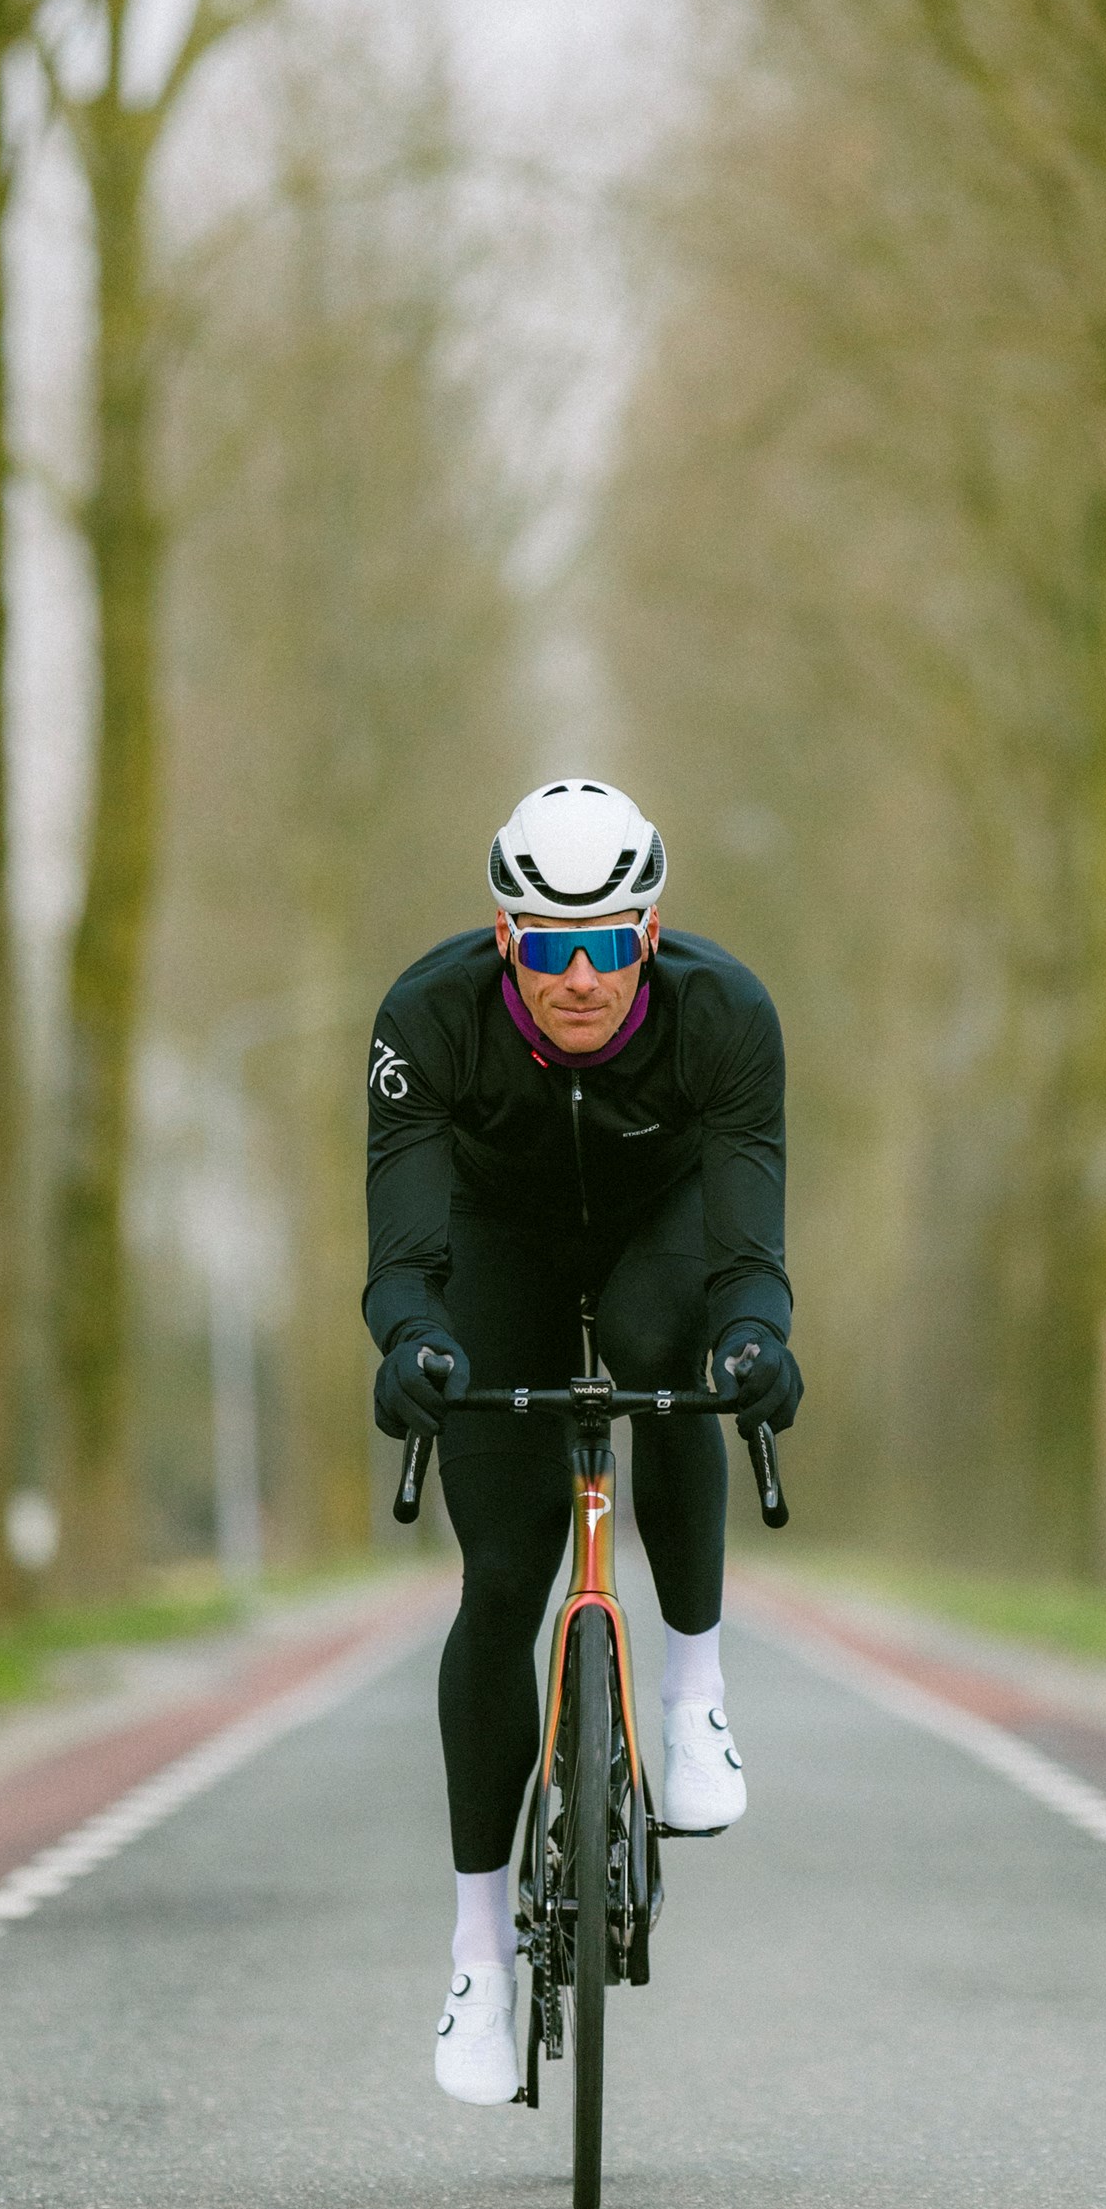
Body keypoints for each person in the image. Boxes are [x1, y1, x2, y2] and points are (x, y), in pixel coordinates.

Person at [363, 777, 802, 2106]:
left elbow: (747, 1253)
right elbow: (404, 1261)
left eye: (609, 943)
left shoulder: (727, 1015)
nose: (581, 977)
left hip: (659, 1228)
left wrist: (757, 1342)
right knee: (503, 1579)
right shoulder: (425, 1019)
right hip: (496, 1244)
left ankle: (693, 1694)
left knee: (676, 1358)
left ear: (648, 932)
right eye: (551, 947)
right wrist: (414, 1344)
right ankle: (477, 1958)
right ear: (506, 936)